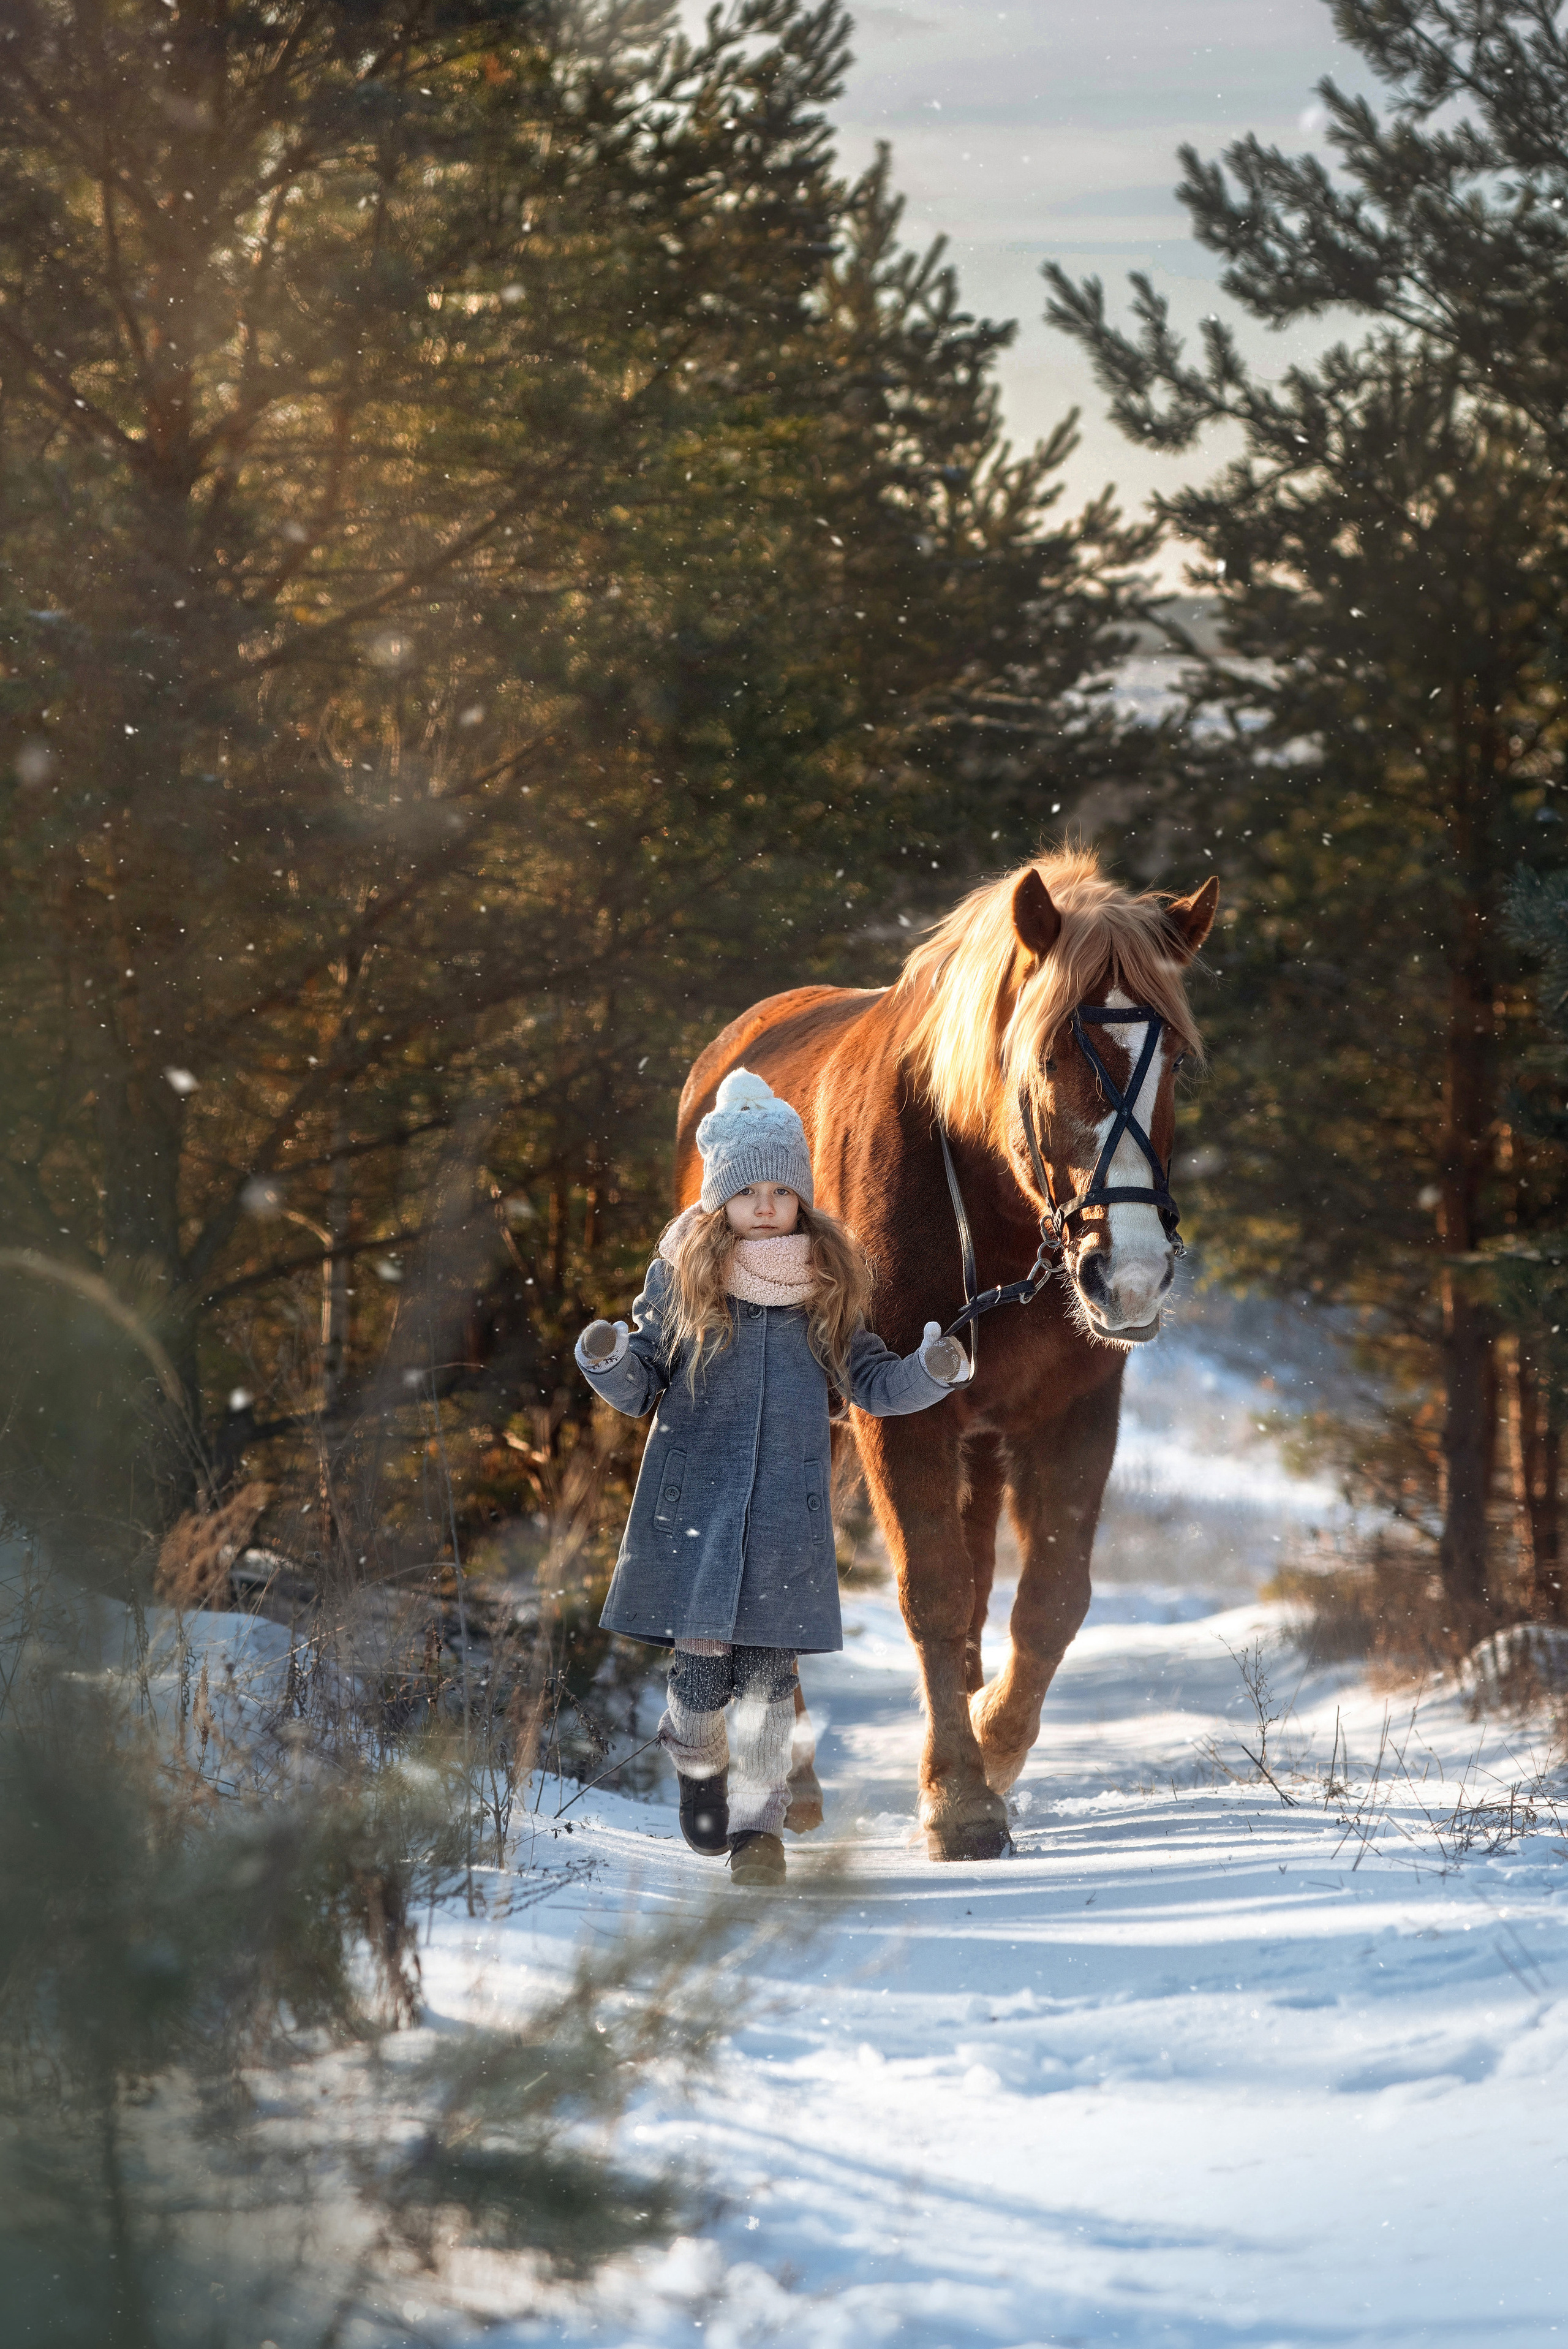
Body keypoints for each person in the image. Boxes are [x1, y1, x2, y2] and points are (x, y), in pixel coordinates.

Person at [575, 1068, 970, 1887]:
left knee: (766, 1683)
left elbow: (872, 1383)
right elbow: (644, 1379)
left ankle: (758, 1833)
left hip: (786, 1520)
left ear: (802, 1196)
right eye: (746, 1188)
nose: (764, 1204)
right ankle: (691, 1747)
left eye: (781, 1188)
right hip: (698, 1510)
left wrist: (931, 1369)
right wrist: (609, 1360)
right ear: (719, 1197)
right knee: (700, 1673)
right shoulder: (684, 1274)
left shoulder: (825, 1285)